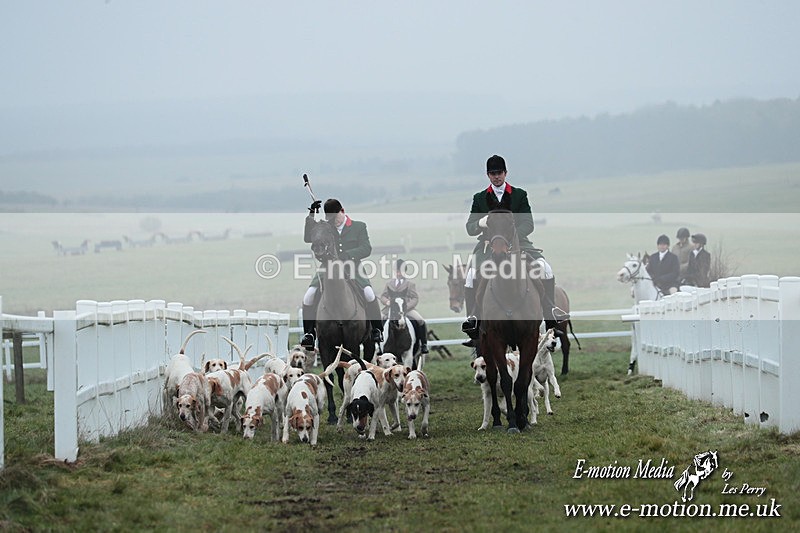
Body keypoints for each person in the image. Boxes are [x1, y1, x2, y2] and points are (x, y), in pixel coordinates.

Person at [461, 154, 568, 347]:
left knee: (546, 268)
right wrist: (481, 222)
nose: (497, 177)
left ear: (505, 173)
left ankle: (550, 311)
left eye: (499, 172)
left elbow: (528, 223)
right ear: (488, 175)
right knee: (470, 276)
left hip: (520, 245)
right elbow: (470, 227)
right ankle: (473, 320)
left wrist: (512, 238)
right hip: (488, 247)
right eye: (493, 173)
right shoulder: (479, 198)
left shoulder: (519, 195)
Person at [300, 198, 383, 350]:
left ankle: (377, 329)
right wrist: (311, 215)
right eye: (330, 219)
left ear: (342, 211)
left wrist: (347, 255)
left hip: (353, 268)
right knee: (309, 296)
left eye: (336, 218)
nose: (334, 222)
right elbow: (308, 237)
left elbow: (366, 248)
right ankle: (309, 334)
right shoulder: (327, 227)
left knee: (369, 293)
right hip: (328, 268)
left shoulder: (359, 226)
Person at [380, 259, 429, 354]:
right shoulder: (389, 284)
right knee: (379, 319)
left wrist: (406, 306)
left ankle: (423, 344)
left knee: (420, 320)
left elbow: (415, 298)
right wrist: (387, 302)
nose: (398, 273)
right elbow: (383, 296)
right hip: (391, 309)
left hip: (406, 309)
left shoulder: (410, 284)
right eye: (397, 271)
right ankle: (378, 343)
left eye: (400, 271)